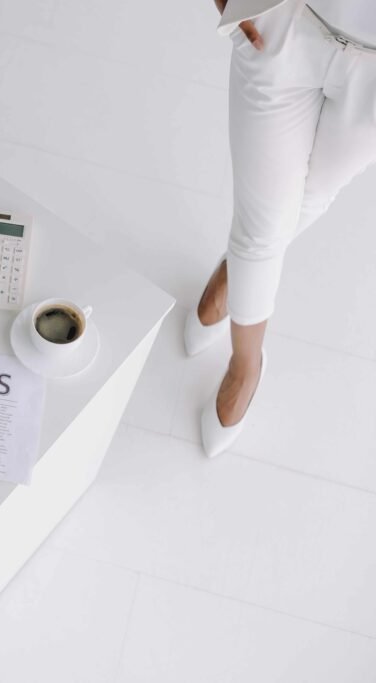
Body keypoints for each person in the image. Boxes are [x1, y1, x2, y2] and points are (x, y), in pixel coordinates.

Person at [188, 0, 376, 456]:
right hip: (289, 20)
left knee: (307, 200)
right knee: (262, 226)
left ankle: (234, 276)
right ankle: (246, 365)